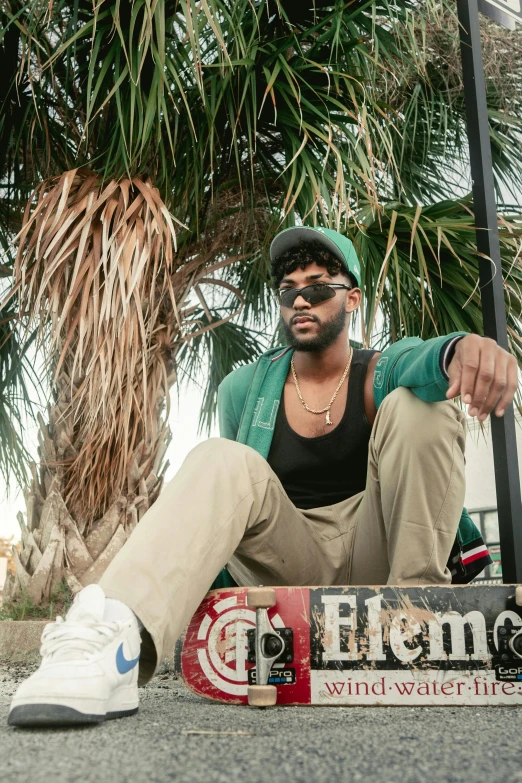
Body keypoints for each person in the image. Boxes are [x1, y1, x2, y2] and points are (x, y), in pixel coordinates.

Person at [8, 226, 518, 727]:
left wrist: (457, 351)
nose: (301, 301)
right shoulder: (243, 390)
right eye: (288, 291)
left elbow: (418, 360)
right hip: (290, 558)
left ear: (353, 299)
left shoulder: (378, 369)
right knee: (220, 458)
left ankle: (421, 618)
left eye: (318, 287)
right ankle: (113, 640)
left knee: (419, 405)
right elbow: (234, 513)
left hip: (379, 551)